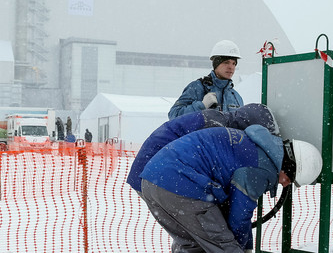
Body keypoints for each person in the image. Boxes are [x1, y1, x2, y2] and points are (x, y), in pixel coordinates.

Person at [140, 125, 322, 252]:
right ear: (289, 166)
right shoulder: (263, 169)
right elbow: (239, 216)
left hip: (154, 179)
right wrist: (243, 248)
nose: (286, 184)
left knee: (192, 245)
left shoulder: (257, 146)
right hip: (183, 185)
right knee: (225, 246)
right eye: (290, 180)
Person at [127, 103, 280, 194]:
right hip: (153, 171)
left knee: (187, 228)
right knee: (194, 223)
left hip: (149, 168)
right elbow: (199, 161)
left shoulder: (219, 120)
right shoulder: (215, 127)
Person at [168, 40, 244, 119]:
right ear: (216, 64)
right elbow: (174, 115)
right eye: (226, 62)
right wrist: (202, 105)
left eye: (234, 63)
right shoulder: (197, 87)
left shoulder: (236, 97)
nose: (231, 67)